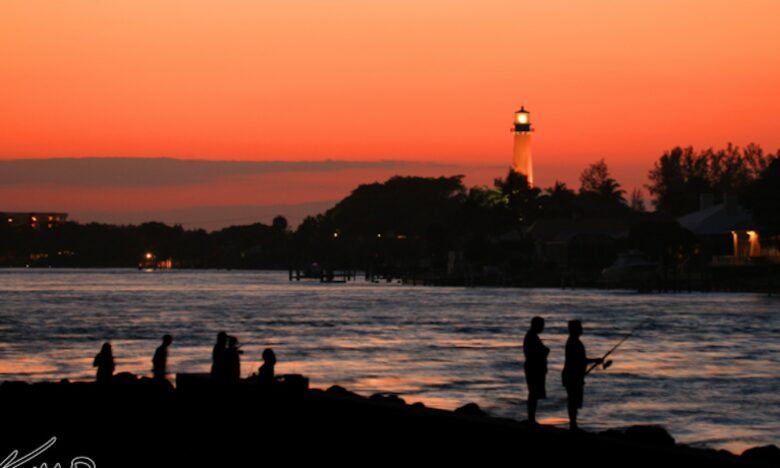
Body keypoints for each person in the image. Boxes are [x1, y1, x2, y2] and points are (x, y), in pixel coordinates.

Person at [562, 320, 603, 430]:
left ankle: (573, 424)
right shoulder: (574, 342)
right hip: (573, 376)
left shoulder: (573, 341)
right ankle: (573, 425)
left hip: (573, 375)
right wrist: (595, 360)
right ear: (575, 329)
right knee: (573, 400)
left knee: (573, 400)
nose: (581, 329)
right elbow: (580, 360)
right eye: (579, 327)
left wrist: (594, 361)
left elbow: (580, 360)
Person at [523, 316, 549, 425]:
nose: (543, 327)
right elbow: (537, 353)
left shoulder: (532, 336)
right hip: (533, 368)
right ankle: (531, 419)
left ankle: (531, 418)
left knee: (533, 393)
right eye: (542, 325)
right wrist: (545, 351)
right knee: (533, 393)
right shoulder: (531, 337)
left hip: (534, 368)